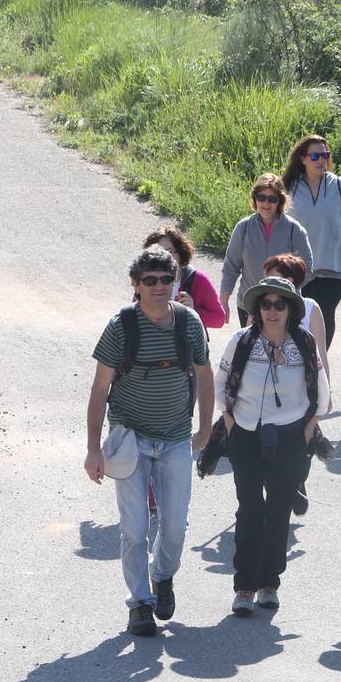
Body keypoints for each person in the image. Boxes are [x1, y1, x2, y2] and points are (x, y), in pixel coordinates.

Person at [85, 247, 213, 636]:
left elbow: (205, 377)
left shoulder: (189, 323)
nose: (158, 287)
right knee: (135, 527)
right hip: (129, 439)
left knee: (174, 525)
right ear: (136, 286)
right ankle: (139, 601)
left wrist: (205, 429)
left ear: (175, 283)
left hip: (176, 439)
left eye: (165, 280)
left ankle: (163, 576)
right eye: (150, 281)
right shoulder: (120, 326)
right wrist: (93, 449)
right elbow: (100, 387)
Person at [215, 276, 329, 615]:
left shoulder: (305, 343)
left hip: (291, 438)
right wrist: (230, 421)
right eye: (266, 304)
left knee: (279, 512)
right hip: (246, 435)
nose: (272, 310)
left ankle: (269, 584)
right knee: (249, 510)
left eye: (280, 304)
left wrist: (309, 428)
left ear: (291, 309)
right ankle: (244, 588)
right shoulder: (242, 341)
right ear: (257, 309)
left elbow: (322, 393)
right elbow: (220, 384)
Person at [282, 135, 341, 349]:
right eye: (315, 155)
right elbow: (281, 225)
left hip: (335, 267)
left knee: (323, 313)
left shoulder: (340, 186)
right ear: (303, 158)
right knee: (298, 314)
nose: (321, 160)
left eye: (325, 155)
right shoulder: (290, 187)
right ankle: (298, 357)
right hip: (300, 268)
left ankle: (318, 360)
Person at [219, 174, 313, 326]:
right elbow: (231, 267)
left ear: (280, 201)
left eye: (272, 199)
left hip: (284, 307)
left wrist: (286, 290)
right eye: (261, 197)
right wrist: (223, 301)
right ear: (255, 199)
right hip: (249, 305)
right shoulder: (243, 228)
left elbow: (307, 269)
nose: (266, 203)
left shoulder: (294, 229)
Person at [264, 254, 331, 414]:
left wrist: (326, 393)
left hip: (300, 390)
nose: (266, 282)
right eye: (265, 278)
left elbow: (320, 355)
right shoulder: (261, 307)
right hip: (264, 387)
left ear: (289, 281)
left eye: (272, 278)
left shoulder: (310, 308)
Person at [141, 227, 227, 329]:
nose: (163, 258)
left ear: (180, 253)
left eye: (169, 252)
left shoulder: (198, 280)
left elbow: (219, 319)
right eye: (157, 253)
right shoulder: (146, 280)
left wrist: (194, 311)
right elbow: (134, 314)